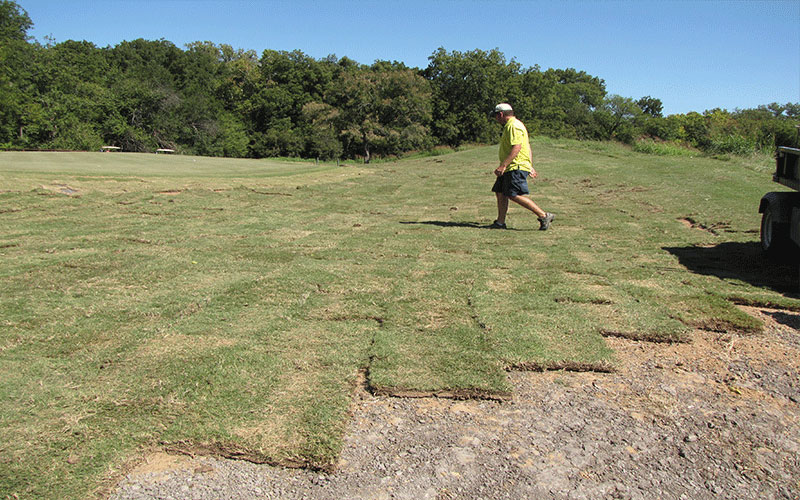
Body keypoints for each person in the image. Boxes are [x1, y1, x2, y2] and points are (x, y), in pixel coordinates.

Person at [489, 103, 555, 230]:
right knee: (500, 192)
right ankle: (500, 222)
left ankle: (544, 215)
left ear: (501, 114)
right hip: (512, 166)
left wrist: (503, 165)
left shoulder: (513, 126)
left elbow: (517, 147)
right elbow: (527, 146)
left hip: (515, 166)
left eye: (496, 116)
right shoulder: (513, 125)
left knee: (513, 194)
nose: (496, 119)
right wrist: (530, 165)